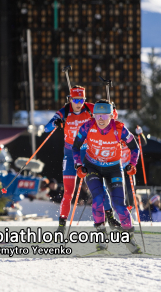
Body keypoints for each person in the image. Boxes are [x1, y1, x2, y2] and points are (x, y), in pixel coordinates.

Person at [72, 99, 141, 253]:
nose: (101, 119)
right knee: (97, 200)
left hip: (114, 168)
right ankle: (101, 238)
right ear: (93, 116)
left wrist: (132, 164)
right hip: (92, 166)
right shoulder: (87, 126)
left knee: (119, 206)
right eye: (97, 116)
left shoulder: (119, 129)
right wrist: (78, 165)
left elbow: (134, 147)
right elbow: (75, 147)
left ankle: (129, 237)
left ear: (111, 116)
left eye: (104, 116)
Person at [44, 85, 115, 232]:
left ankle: (111, 217)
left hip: (88, 153)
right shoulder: (64, 111)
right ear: (70, 99)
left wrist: (110, 109)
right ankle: (61, 226)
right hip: (70, 155)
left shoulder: (90, 108)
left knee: (99, 188)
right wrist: (55, 123)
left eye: (81, 99)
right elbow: (46, 128)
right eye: (75, 99)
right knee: (68, 191)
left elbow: (113, 115)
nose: (78, 103)